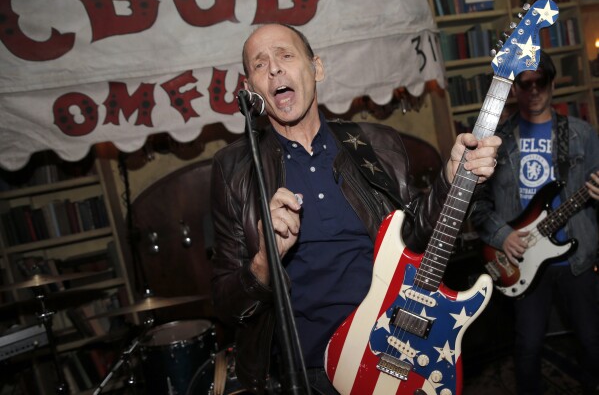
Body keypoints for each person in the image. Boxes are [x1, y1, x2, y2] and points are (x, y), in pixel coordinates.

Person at [210, 23, 501, 395]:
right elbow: (225, 303)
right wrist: (265, 261)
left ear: (317, 68)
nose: (274, 69)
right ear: (250, 90)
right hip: (312, 375)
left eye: (285, 55)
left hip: (398, 349)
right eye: (259, 64)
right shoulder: (233, 169)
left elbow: (417, 238)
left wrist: (451, 178)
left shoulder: (377, 144)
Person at [470, 50, 599, 395]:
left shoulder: (582, 134)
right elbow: (477, 205)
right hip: (521, 259)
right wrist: (503, 235)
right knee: (527, 346)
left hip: (576, 256)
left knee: (592, 340)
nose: (533, 91)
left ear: (552, 83)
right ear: (513, 90)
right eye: (524, 84)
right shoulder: (496, 142)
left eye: (540, 82)